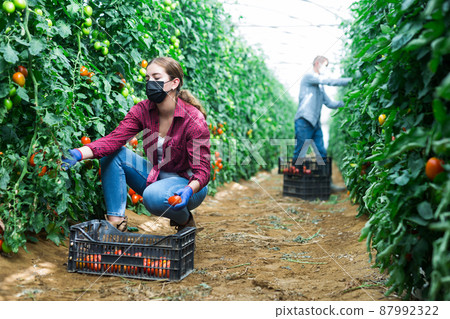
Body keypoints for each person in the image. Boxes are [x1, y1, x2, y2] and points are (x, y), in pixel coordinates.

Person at [62, 57, 210, 232]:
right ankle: (116, 223)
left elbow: (202, 171)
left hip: (189, 184)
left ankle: (185, 220)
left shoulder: (193, 119)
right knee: (113, 153)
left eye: (156, 78)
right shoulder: (142, 110)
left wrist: (188, 190)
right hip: (157, 175)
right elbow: (113, 140)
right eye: (147, 79)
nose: (150, 83)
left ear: (174, 83)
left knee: (153, 196)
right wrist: (78, 154)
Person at [293, 56, 352, 191]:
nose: (326, 69)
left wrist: (348, 102)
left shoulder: (320, 87)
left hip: (315, 124)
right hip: (304, 121)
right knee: (300, 153)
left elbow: (330, 103)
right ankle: (296, 183)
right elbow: (328, 81)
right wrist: (351, 81)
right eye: (325, 65)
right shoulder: (308, 77)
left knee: (322, 153)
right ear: (317, 63)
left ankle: (327, 183)